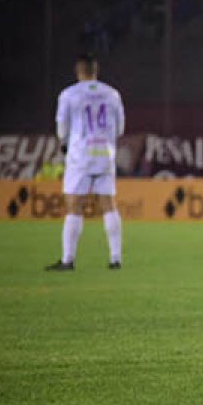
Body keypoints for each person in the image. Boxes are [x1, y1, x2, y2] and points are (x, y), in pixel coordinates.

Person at [45, 53, 125, 271]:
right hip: (105, 153)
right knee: (109, 204)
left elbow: (62, 127)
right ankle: (115, 258)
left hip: (80, 154)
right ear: (95, 70)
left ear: (78, 70)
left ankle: (68, 259)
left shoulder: (69, 94)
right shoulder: (112, 94)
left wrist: (64, 143)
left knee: (74, 206)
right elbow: (120, 128)